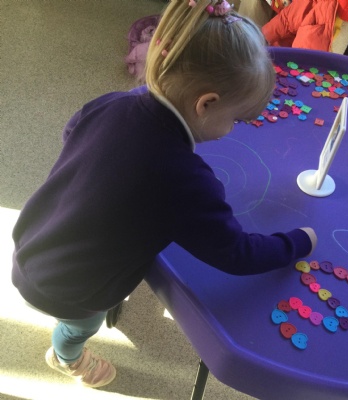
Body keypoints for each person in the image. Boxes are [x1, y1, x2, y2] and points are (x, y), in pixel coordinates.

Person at [12, 0, 317, 389]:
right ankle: (66, 357)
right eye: (235, 119)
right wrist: (298, 242)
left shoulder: (115, 101)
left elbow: (72, 132)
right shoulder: (186, 180)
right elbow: (236, 254)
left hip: (34, 240)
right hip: (70, 290)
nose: (231, 129)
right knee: (78, 327)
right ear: (206, 104)